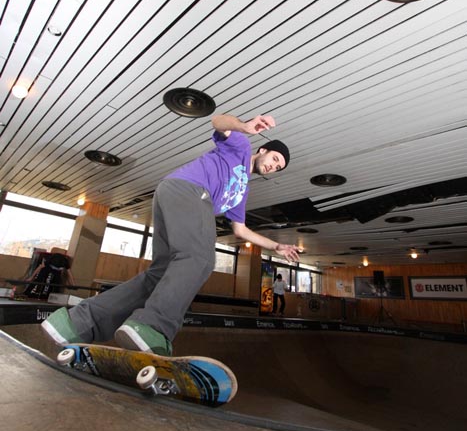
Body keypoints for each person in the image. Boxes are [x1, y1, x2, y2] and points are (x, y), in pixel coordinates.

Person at [41, 113, 300, 355]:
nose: (273, 167)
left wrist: (276, 246)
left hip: (172, 194)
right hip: (190, 190)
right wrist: (243, 126)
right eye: (275, 160)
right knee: (200, 258)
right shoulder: (241, 148)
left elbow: (240, 230)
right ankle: (153, 327)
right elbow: (217, 121)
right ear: (263, 150)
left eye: (279, 168)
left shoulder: (241, 192)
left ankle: (76, 322)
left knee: (161, 274)